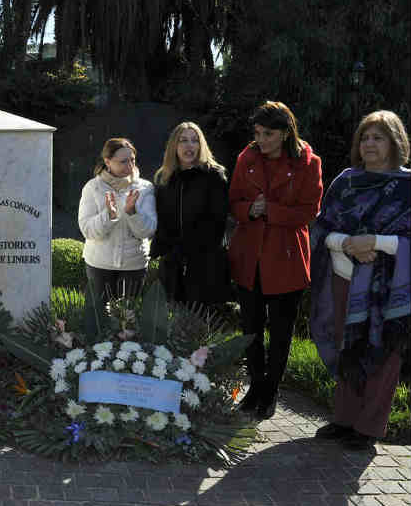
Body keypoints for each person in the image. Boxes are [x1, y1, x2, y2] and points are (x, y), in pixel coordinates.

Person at [308, 110, 409, 450]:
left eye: (378, 137)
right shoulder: (346, 182)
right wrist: (348, 243)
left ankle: (369, 428)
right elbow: (322, 229)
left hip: (390, 286)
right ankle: (344, 419)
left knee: (384, 351)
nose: (369, 144)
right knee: (347, 347)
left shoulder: (407, 188)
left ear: (395, 142)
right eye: (364, 138)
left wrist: (375, 242)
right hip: (344, 279)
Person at [228, 101, 323, 420]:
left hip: (286, 258)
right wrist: (248, 210)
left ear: (285, 133)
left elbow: (309, 211)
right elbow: (234, 202)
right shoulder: (246, 157)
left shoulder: (309, 163)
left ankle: (270, 391)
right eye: (257, 133)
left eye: (268, 134)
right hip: (249, 257)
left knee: (281, 333)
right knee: (250, 330)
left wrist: (270, 210)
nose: (261, 140)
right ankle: (256, 387)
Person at [151, 122, 230, 306]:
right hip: (172, 265)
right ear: (174, 145)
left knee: (202, 317)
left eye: (195, 141)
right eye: (183, 140)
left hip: (205, 263)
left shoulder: (214, 175)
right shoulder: (165, 177)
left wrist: (187, 249)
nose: (190, 146)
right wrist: (164, 251)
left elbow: (217, 223)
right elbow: (161, 220)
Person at [77, 137, 157, 305]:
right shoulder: (92, 187)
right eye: (123, 162)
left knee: (128, 316)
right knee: (99, 316)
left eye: (132, 160)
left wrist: (132, 213)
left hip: (134, 265)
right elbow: (87, 230)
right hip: (99, 264)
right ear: (107, 162)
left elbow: (148, 230)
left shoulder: (145, 188)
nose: (130, 166)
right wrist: (109, 215)